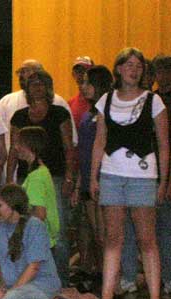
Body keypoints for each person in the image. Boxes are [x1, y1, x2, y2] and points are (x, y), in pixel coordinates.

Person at [88, 48, 169, 299]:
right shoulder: (106, 99)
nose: (134, 70)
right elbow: (100, 140)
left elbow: (164, 144)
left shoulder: (153, 101)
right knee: (113, 238)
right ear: (119, 69)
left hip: (143, 176)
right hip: (112, 174)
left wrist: (163, 182)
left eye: (138, 66)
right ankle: (107, 298)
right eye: (129, 65)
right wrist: (93, 176)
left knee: (147, 238)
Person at [0, 184, 78, 299]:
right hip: (13, 288)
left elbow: (34, 267)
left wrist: (11, 292)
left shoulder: (35, 226)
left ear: (12, 206)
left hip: (40, 285)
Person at [7, 70, 75, 286]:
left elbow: (68, 147)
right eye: (32, 84)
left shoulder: (59, 113)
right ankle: (31, 279)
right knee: (25, 228)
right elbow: (13, 150)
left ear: (48, 87)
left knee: (57, 230)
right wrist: (9, 181)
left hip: (55, 175)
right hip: (25, 176)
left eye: (41, 83)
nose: (37, 87)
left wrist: (70, 177)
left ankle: (61, 281)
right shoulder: (19, 116)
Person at [119, 54, 171, 294]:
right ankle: (129, 276)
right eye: (156, 71)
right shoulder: (141, 99)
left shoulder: (158, 103)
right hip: (136, 172)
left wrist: (167, 181)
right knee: (131, 227)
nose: (160, 76)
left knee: (163, 229)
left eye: (165, 71)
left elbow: (166, 144)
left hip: (160, 173)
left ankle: (167, 277)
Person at [71, 66, 113, 281]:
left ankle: (113, 280)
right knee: (97, 234)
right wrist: (79, 184)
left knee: (106, 235)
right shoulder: (88, 114)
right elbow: (83, 152)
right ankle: (101, 274)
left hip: (104, 179)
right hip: (88, 179)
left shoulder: (109, 113)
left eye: (87, 82)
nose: (83, 86)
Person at [0, 59, 77, 153]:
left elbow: (70, 144)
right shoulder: (6, 102)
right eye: (20, 72)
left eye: (26, 71)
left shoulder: (59, 103)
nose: (21, 75)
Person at [15, 127, 59, 250]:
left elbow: (39, 214)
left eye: (19, 143)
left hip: (38, 242)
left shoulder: (36, 177)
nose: (16, 147)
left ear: (29, 146)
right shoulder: (42, 171)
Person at [68, 56, 94, 129]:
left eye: (85, 71)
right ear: (73, 75)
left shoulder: (101, 101)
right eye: (78, 71)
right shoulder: (70, 104)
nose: (81, 75)